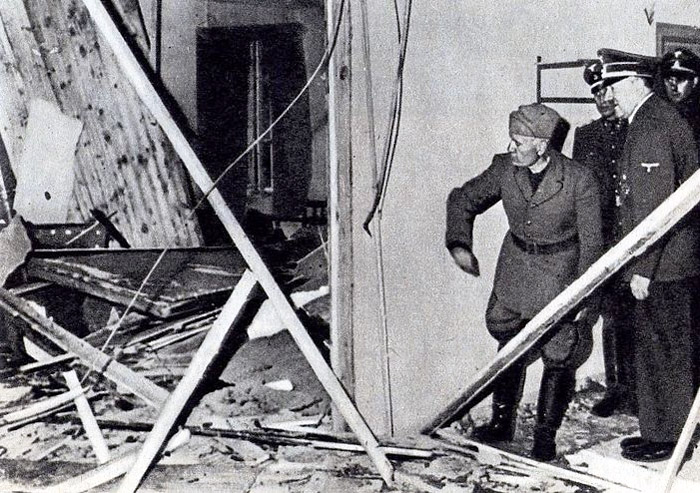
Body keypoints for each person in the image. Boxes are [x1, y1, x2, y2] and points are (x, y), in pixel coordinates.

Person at [446, 103, 602, 461]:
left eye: (518, 142)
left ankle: (545, 437)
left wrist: (583, 297)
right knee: (508, 340)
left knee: (559, 353)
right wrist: (459, 243)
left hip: (560, 274)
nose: (511, 148)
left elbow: (592, 245)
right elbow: (463, 199)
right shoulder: (504, 168)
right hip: (515, 269)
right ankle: (502, 423)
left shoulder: (579, 179)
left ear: (542, 145)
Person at [598, 48, 700, 462]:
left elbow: (657, 211)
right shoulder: (650, 118)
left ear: (634, 83)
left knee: (665, 352)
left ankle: (671, 439)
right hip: (665, 262)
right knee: (656, 349)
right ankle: (659, 431)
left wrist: (643, 268)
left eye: (614, 87)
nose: (609, 96)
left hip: (664, 265)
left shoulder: (652, 126)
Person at [572, 61, 635, 418]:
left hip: (635, 235)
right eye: (596, 93)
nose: (603, 99)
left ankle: (643, 392)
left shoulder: (637, 128)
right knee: (611, 315)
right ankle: (617, 389)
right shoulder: (586, 136)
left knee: (640, 315)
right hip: (604, 240)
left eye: (608, 91)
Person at [658, 48, 700, 141]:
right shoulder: (658, 115)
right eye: (669, 80)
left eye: (680, 79)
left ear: (695, 81)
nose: (674, 87)